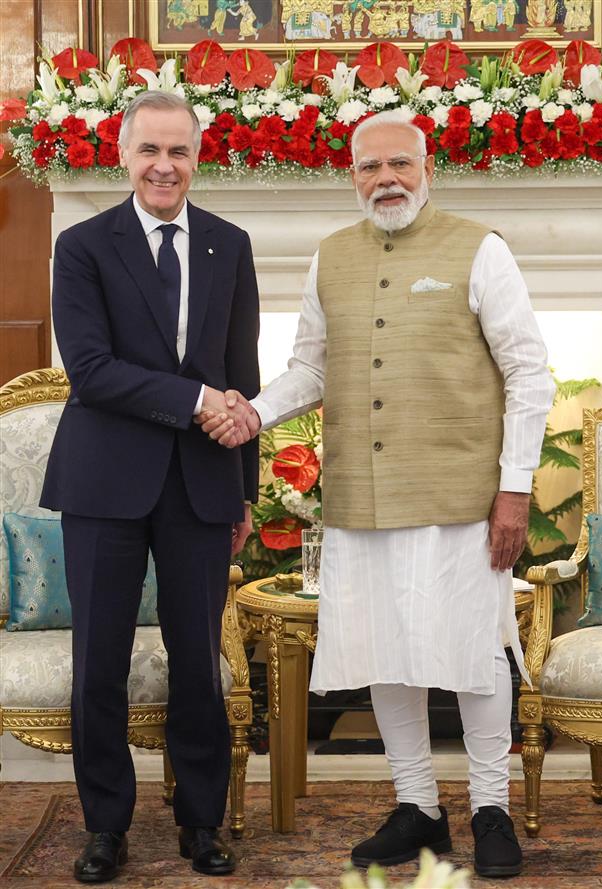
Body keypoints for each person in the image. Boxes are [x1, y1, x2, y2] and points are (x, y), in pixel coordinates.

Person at [201, 109, 555, 879]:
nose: (385, 179)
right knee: (385, 653)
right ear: (350, 175)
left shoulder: (479, 249)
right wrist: (253, 411)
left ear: (428, 170)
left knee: (472, 654)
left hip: (462, 497)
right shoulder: (331, 257)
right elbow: (313, 368)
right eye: (369, 167)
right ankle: (418, 806)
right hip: (360, 497)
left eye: (399, 164)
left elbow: (530, 372)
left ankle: (490, 808)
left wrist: (515, 490)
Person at [40, 90, 260, 883]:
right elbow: (91, 372)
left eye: (179, 152)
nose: (164, 166)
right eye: (149, 151)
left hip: (203, 485)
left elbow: (243, 376)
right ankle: (106, 827)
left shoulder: (230, 245)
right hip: (103, 480)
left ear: (197, 158)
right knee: (97, 660)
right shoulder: (84, 244)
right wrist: (197, 402)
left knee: (197, 661)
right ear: (123, 155)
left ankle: (201, 822)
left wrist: (244, 488)